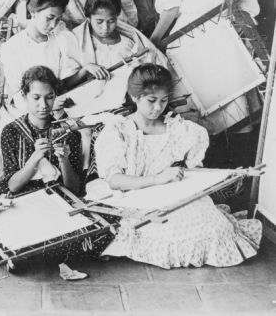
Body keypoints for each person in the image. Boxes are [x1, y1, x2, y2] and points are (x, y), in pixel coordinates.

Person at [93, 63, 262, 269]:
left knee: (216, 227)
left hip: (172, 193)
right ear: (134, 97)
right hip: (135, 193)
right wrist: (157, 179)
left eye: (164, 101)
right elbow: (115, 181)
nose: (158, 107)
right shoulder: (118, 130)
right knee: (167, 229)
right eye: (151, 100)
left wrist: (234, 173)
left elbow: (193, 173)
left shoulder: (179, 129)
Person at [0, 66, 109, 280]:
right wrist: (35, 157)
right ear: (24, 96)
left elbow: (74, 188)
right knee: (17, 223)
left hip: (58, 196)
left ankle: (36, 253)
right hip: (26, 197)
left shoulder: (68, 131)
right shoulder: (11, 131)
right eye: (36, 98)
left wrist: (64, 159)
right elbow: (12, 186)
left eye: (49, 97)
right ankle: (51, 252)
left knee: (101, 225)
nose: (43, 105)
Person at [0, 0, 82, 119]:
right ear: (33, 13)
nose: (53, 25)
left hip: (59, 109)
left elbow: (64, 83)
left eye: (58, 19)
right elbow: (18, 94)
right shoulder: (12, 47)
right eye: (49, 18)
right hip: (27, 112)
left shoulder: (60, 40)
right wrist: (47, 106)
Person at [72, 0, 167, 83]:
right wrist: (85, 69)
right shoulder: (75, 40)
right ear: (88, 19)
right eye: (99, 22)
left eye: (111, 21)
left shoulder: (129, 42)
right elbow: (64, 85)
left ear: (117, 17)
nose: (105, 27)